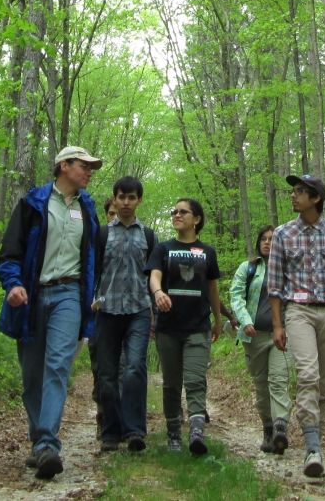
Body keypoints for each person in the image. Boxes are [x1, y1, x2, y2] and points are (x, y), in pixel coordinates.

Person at [0, 146, 102, 480]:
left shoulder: (87, 208)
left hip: (70, 294)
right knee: (31, 376)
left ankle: (47, 444)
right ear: (64, 166)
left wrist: (95, 292)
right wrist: (13, 284)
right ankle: (37, 440)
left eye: (91, 168)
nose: (89, 172)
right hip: (32, 294)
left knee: (58, 365)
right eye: (84, 166)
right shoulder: (33, 203)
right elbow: (11, 250)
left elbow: (93, 258)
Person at [268, 174, 325, 478]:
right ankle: (311, 447)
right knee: (307, 373)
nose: (293, 196)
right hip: (298, 311)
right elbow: (275, 284)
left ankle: (316, 440)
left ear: (316, 198)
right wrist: (278, 325)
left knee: (323, 382)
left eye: (300, 192)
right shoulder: (282, 234)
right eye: (293, 191)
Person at [148, 198, 222, 456]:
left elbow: (212, 288)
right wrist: (158, 292)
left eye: (183, 212)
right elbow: (154, 275)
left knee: (195, 380)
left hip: (198, 327)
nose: (177, 215)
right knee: (171, 383)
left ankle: (196, 433)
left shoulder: (208, 252)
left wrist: (218, 321)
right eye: (174, 211)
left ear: (197, 219)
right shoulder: (163, 249)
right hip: (168, 328)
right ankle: (173, 434)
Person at [92, 176, 156, 453]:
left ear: (139, 200)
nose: (126, 202)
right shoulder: (102, 234)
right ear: (114, 200)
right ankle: (111, 431)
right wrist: (91, 301)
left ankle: (134, 430)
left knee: (134, 369)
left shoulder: (149, 236)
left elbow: (155, 276)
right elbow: (92, 272)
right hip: (106, 311)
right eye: (121, 197)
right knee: (106, 374)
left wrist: (156, 308)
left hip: (139, 311)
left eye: (131, 197)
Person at [230, 224, 292, 455]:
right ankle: (268, 427)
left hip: (282, 334)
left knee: (279, 380)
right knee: (262, 385)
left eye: (272, 239)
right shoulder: (248, 268)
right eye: (263, 239)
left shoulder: (288, 269)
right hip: (253, 336)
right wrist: (245, 320)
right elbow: (236, 296)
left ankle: (280, 428)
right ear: (258, 243)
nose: (267, 243)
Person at [90, 195, 119, 439]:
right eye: (111, 214)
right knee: (100, 369)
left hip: (127, 314)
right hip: (98, 314)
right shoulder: (98, 237)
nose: (115, 219)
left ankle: (121, 419)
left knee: (125, 369)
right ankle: (103, 417)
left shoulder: (141, 239)